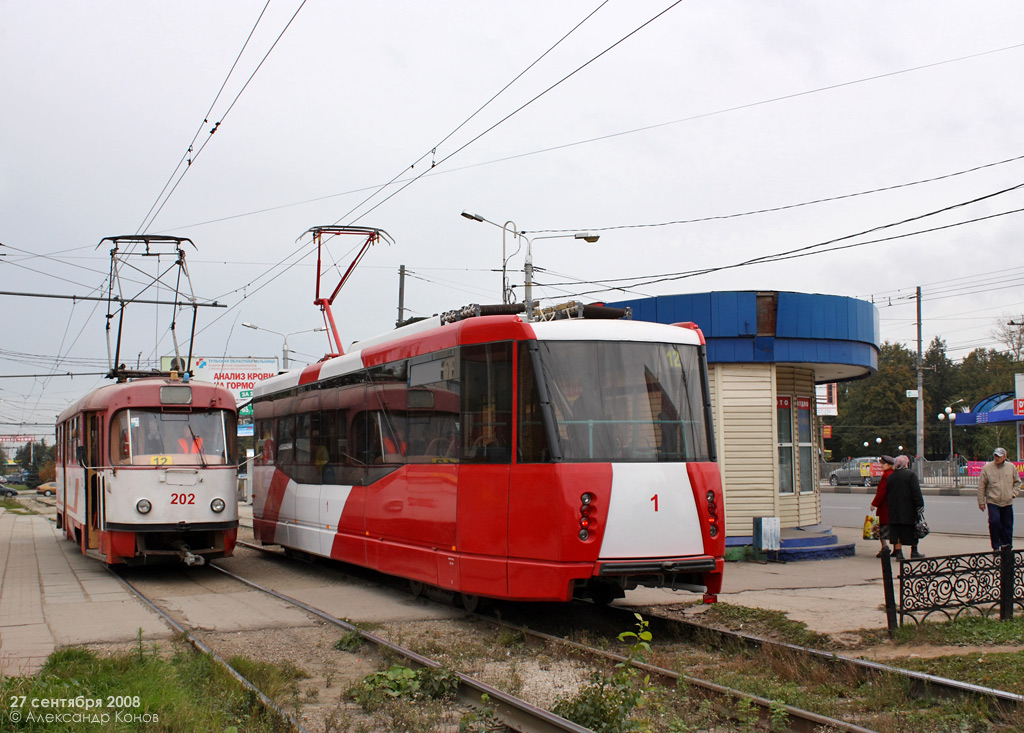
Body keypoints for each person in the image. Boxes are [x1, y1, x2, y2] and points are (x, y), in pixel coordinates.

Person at [977, 447, 1022, 550]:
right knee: (994, 522)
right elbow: (981, 486)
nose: (997, 458)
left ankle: (1007, 547)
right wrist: (981, 502)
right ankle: (996, 546)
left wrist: (1013, 494)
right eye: (995, 455)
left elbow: (1017, 482)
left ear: (1004, 457)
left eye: (999, 456)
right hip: (993, 501)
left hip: (1007, 501)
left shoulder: (1011, 467)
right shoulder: (987, 468)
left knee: (1007, 525)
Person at [885, 454, 925, 560]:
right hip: (909, 509)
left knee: (897, 531)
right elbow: (916, 492)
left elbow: (887, 493)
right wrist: (920, 505)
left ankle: (899, 553)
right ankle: (914, 551)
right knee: (913, 530)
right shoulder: (910, 475)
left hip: (894, 509)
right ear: (905, 464)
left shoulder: (890, 477)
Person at [870, 455, 896, 557]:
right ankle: (896, 549)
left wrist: (874, 504)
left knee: (882, 528)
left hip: (885, 507)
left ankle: (885, 548)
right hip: (893, 507)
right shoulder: (894, 474)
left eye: (883, 464)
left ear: (889, 465)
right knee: (893, 529)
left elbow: (881, 492)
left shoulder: (886, 476)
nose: (881, 466)